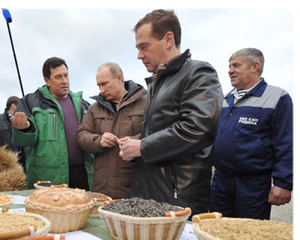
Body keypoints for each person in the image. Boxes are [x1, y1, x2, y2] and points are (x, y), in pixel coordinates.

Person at [118, 9, 223, 216]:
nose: (139, 55)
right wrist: (134, 144)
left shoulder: (199, 73)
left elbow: (198, 128)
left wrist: (143, 147)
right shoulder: (157, 83)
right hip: (150, 192)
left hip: (177, 197)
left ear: (168, 39)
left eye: (144, 47)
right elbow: (161, 129)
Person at [211, 48, 297, 219]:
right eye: (229, 66)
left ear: (255, 66)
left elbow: (287, 142)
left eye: (236, 65)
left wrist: (283, 183)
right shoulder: (226, 100)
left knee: (247, 236)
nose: (230, 70)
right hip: (221, 181)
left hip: (252, 185)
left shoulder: (277, 97)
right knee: (217, 231)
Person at [11, 57, 93, 190]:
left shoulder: (82, 104)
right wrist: (24, 129)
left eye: (66, 76)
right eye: (58, 77)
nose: (65, 81)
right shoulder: (31, 102)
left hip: (83, 176)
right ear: (47, 80)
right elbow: (24, 141)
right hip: (48, 178)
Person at [76, 62, 147, 199]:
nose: (101, 90)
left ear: (119, 78)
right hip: (102, 189)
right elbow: (80, 135)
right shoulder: (94, 108)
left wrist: (135, 142)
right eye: (99, 85)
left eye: (105, 84)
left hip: (135, 188)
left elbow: (155, 134)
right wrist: (98, 140)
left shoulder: (146, 103)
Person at [0, 96, 26, 169]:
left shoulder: (25, 121)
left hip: (22, 163)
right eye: (21, 106)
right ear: (13, 106)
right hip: (3, 163)